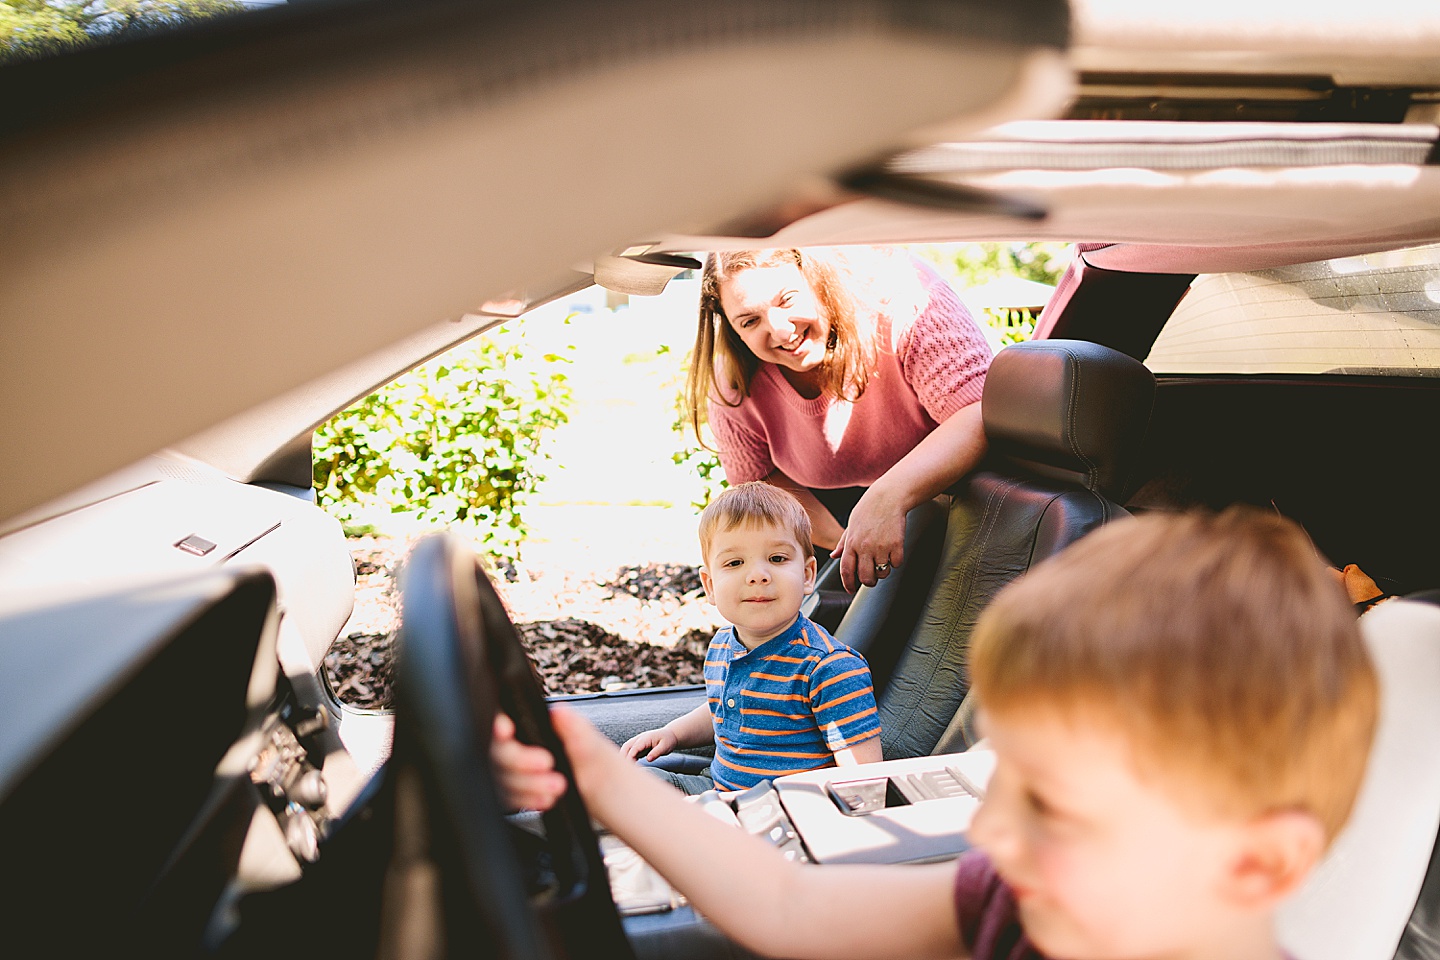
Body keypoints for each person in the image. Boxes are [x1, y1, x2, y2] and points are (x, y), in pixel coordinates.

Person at [494, 507, 1377, 960]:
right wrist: (599, 779)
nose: (989, 835)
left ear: (1257, 864)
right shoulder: (1017, 903)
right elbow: (788, 908)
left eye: (1052, 809)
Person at [685, 247, 992, 593]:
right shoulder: (733, 381)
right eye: (750, 321)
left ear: (818, 279)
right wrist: (847, 544)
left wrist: (887, 498)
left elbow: (978, 412)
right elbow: (758, 481)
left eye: (787, 300)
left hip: (953, 490)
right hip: (822, 516)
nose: (781, 331)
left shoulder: (906, 299)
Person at [623, 481, 883, 794]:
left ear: (807, 575)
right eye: (734, 563)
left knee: (621, 796)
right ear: (710, 586)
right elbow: (725, 708)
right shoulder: (723, 644)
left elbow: (866, 781)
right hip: (719, 788)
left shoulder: (828, 669)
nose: (757, 575)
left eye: (777, 559)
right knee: (621, 778)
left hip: (781, 817)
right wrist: (673, 734)